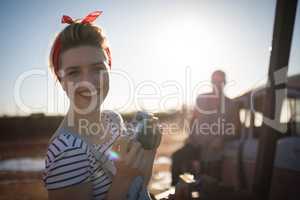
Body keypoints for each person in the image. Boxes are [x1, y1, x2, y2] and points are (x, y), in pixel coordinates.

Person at [42, 11, 159, 200]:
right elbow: (127, 179)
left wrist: (149, 150)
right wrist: (123, 177)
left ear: (109, 69)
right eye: (73, 73)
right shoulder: (67, 151)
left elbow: (138, 189)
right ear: (61, 81)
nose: (88, 82)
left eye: (97, 68)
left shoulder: (113, 119)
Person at [171, 70, 239, 186]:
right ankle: (176, 191)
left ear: (225, 83)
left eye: (220, 82)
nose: (217, 84)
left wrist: (222, 139)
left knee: (209, 182)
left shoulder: (231, 104)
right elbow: (194, 120)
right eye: (215, 81)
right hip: (196, 144)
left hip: (214, 150)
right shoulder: (201, 99)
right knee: (177, 158)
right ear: (211, 82)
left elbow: (237, 129)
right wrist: (190, 136)